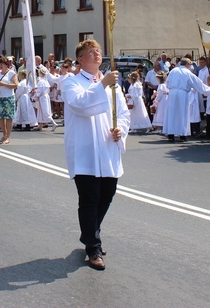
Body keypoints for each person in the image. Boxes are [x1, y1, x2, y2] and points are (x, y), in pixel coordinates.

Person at [61, 39, 129, 271]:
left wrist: (121, 128)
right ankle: (93, 247)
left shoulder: (112, 84)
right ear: (80, 59)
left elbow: (122, 113)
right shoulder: (71, 82)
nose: (97, 55)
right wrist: (103, 86)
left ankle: (90, 233)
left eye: (98, 51)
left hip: (108, 148)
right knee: (89, 199)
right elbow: (80, 105)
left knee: (106, 195)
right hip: (85, 150)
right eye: (91, 52)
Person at [162, 57, 210, 142]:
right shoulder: (188, 73)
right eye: (190, 65)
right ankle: (182, 135)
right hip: (182, 93)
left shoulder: (173, 71)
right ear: (187, 64)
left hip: (172, 93)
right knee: (182, 113)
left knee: (172, 113)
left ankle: (171, 134)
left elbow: (167, 83)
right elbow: (199, 84)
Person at [0, 55, 18, 144]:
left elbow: (16, 85)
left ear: (5, 64)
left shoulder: (11, 73)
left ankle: (8, 136)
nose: (0, 66)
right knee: (0, 118)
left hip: (9, 97)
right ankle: (4, 135)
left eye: (1, 64)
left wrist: (4, 84)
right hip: (0, 97)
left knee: (8, 117)